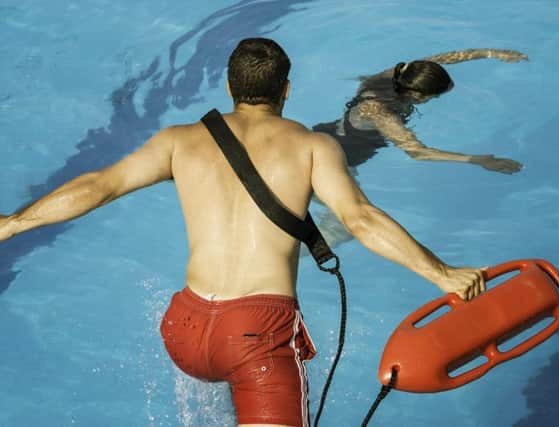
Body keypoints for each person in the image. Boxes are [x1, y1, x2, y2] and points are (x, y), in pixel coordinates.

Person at [0, 38, 486, 427]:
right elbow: (360, 218)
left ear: (230, 86)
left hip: (184, 330)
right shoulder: (311, 146)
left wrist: (12, 223)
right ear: (287, 90)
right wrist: (441, 273)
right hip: (256, 334)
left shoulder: (179, 140)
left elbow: (97, 186)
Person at [313, 48, 527, 174]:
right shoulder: (381, 112)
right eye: (435, 96)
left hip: (331, 133)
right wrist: (479, 160)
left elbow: (442, 59)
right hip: (339, 158)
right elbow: (418, 152)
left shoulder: (401, 74)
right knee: (341, 229)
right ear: (417, 95)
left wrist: (491, 53)